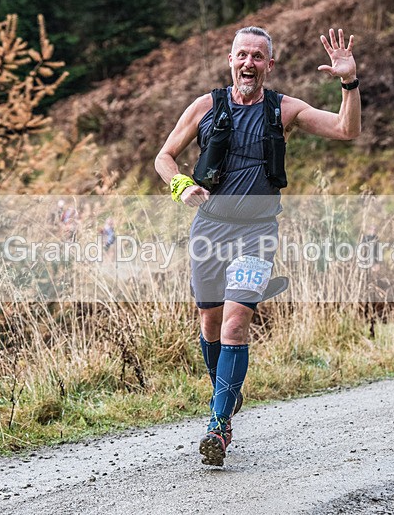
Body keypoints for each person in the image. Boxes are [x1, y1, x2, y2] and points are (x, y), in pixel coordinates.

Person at [154, 26, 361, 466]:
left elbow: (346, 130)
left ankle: (218, 425)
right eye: (241, 55)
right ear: (231, 60)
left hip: (257, 234)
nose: (249, 63)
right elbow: (164, 156)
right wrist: (181, 186)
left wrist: (349, 82)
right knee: (209, 323)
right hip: (208, 230)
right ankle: (225, 401)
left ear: (270, 64)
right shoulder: (205, 106)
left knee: (233, 325)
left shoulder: (284, 109)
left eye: (258, 56)